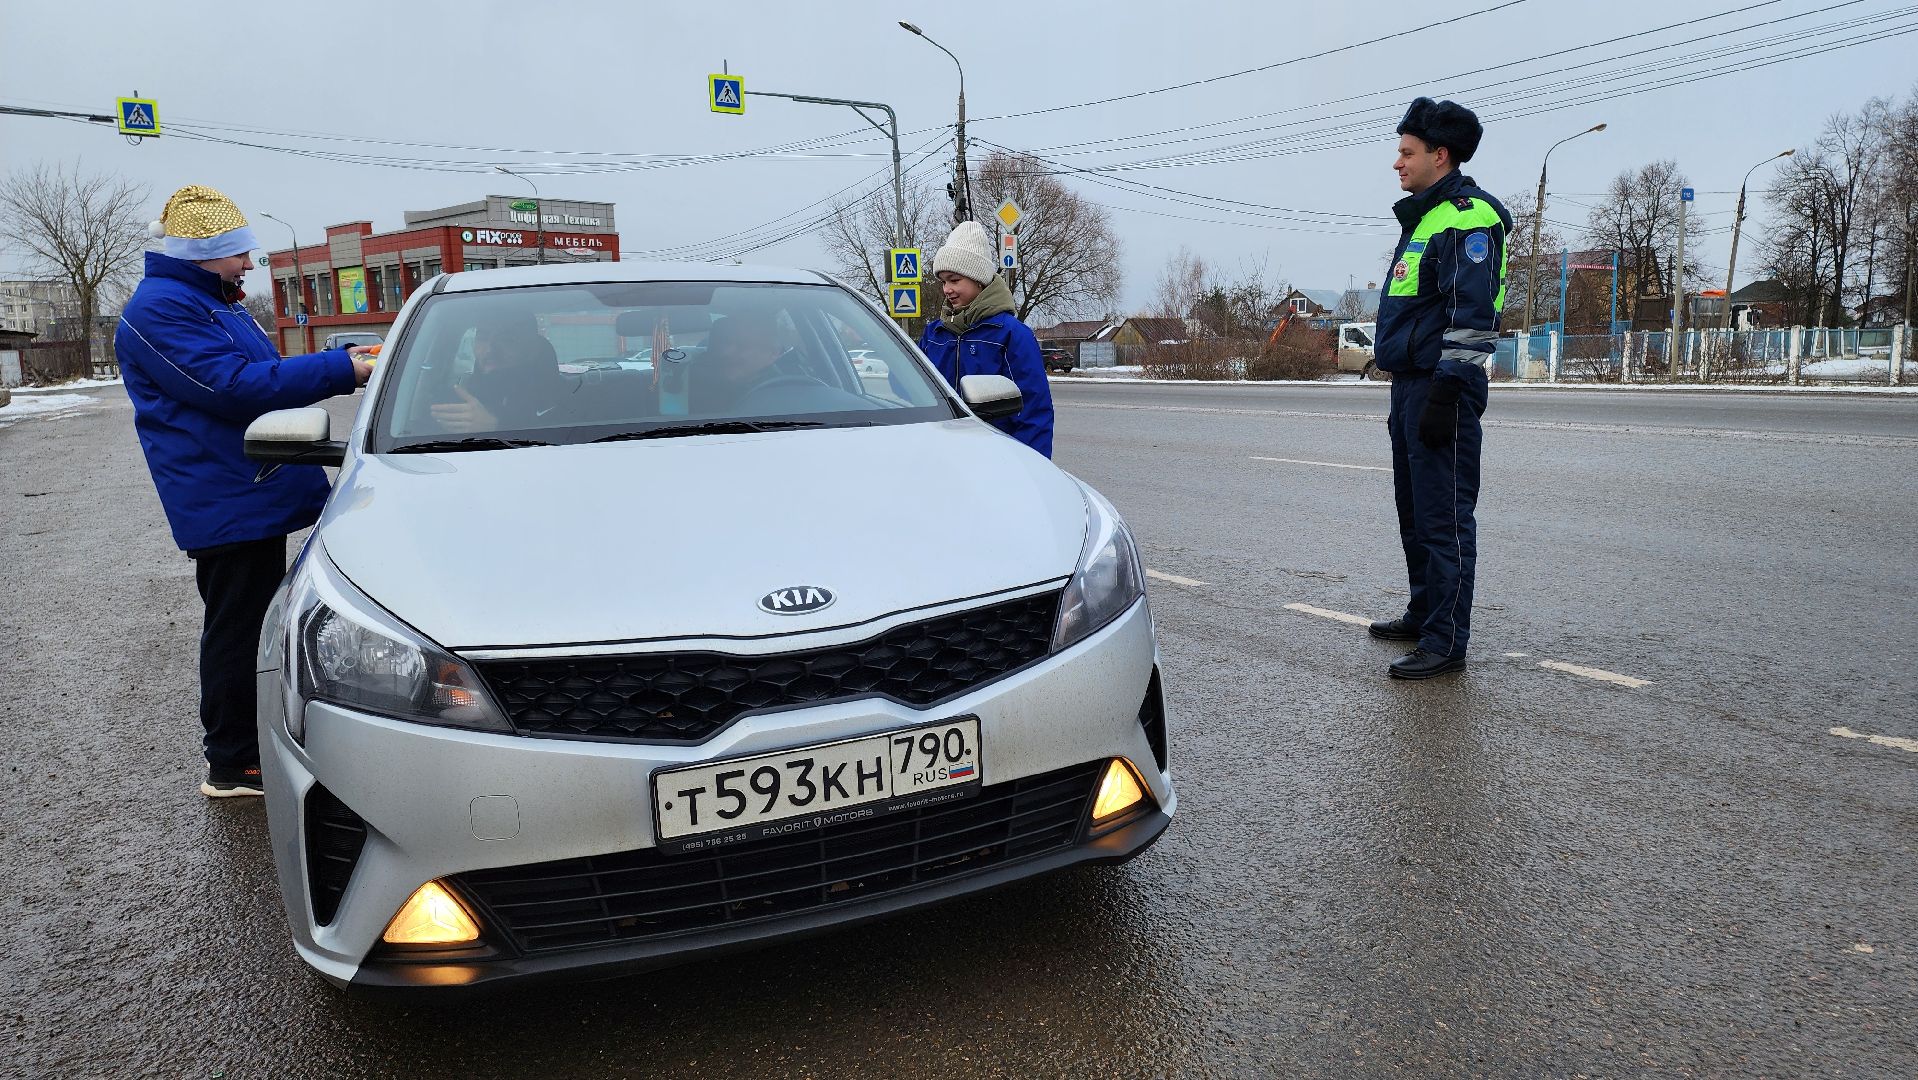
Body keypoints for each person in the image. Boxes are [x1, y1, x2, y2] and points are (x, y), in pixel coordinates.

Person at [115, 184, 372, 796]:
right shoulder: (160, 309)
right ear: (204, 251)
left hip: (247, 488)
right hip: (224, 496)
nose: (248, 265)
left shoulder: (211, 301)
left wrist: (336, 358)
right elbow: (232, 387)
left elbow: (262, 374)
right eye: (238, 253)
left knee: (258, 621)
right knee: (237, 628)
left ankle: (254, 742)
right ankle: (232, 762)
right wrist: (340, 369)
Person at [1366, 98, 1511, 680]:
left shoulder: (1467, 218)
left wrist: (1447, 392)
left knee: (1444, 515)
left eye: (1406, 152)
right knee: (1414, 510)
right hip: (1411, 385)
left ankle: (1446, 640)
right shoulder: (1426, 217)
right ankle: (1425, 611)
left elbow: (1472, 313)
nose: (1396, 163)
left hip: (1440, 386)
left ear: (1440, 155)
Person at [918, 221, 1053, 457]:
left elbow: (1034, 412)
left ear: (977, 279)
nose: (947, 289)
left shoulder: (1011, 334)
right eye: (943, 281)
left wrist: (1031, 470)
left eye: (954, 279)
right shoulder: (934, 334)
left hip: (996, 460)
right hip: (940, 457)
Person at [430, 319, 566, 432]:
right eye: (483, 338)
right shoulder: (454, 397)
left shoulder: (558, 399)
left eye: (506, 339)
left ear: (531, 350)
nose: (490, 350)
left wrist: (495, 427)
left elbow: (563, 444)